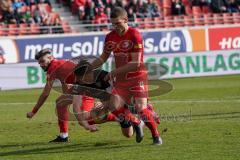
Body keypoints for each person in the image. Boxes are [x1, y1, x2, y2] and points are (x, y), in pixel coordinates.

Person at [88, 7, 162, 145]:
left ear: (126, 20)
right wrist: (89, 68)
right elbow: (103, 58)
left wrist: (113, 72)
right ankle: (136, 122)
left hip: (137, 76)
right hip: (121, 79)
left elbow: (135, 63)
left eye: (118, 23)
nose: (115, 27)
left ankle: (156, 136)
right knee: (114, 106)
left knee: (141, 108)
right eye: (113, 24)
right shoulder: (110, 37)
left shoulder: (135, 34)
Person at [26, 48, 95, 142]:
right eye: (39, 63)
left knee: (85, 119)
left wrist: (33, 111)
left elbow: (45, 93)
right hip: (80, 89)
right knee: (60, 103)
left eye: (43, 61)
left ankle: (118, 117)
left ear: (50, 58)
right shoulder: (58, 64)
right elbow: (65, 83)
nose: (41, 65)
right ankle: (63, 136)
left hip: (86, 89)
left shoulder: (53, 67)